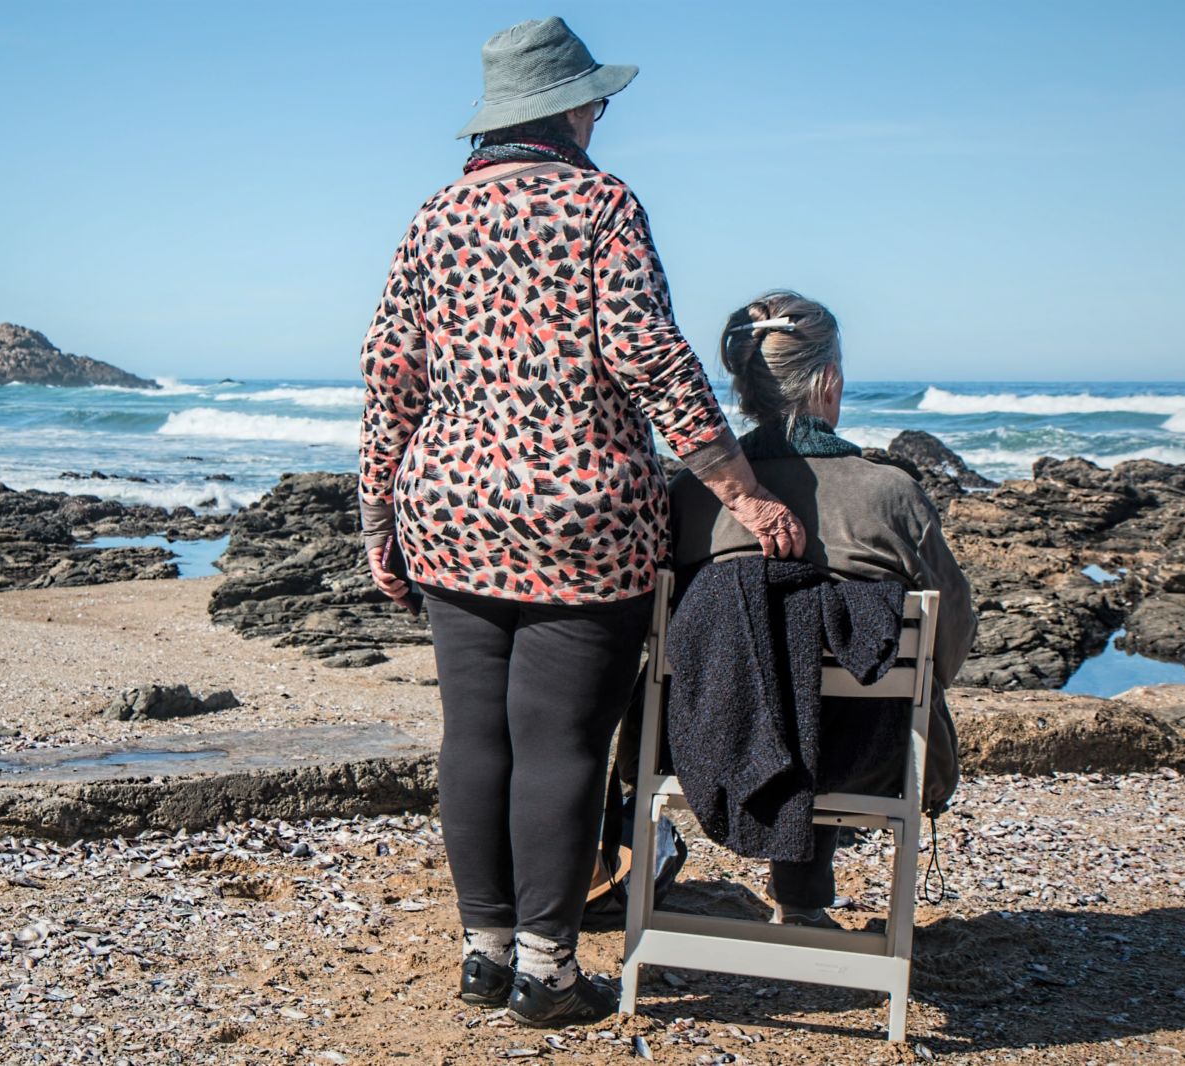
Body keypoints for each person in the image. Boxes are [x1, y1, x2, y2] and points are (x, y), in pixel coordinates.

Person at [357, 17, 805, 1027]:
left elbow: (390, 375)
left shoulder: (433, 217)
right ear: (567, 108)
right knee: (559, 740)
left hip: (451, 507)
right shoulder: (601, 204)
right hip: (582, 515)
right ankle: (546, 973)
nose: (600, 115)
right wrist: (740, 488)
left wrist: (377, 516)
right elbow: (648, 354)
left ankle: (484, 953)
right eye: (595, 101)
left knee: (473, 735)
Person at [667, 289, 976, 927]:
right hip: (866, 754)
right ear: (828, 380)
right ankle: (804, 903)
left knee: (769, 668)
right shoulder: (889, 494)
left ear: (746, 390)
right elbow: (951, 636)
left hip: (705, 745)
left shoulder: (692, 496)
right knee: (836, 691)